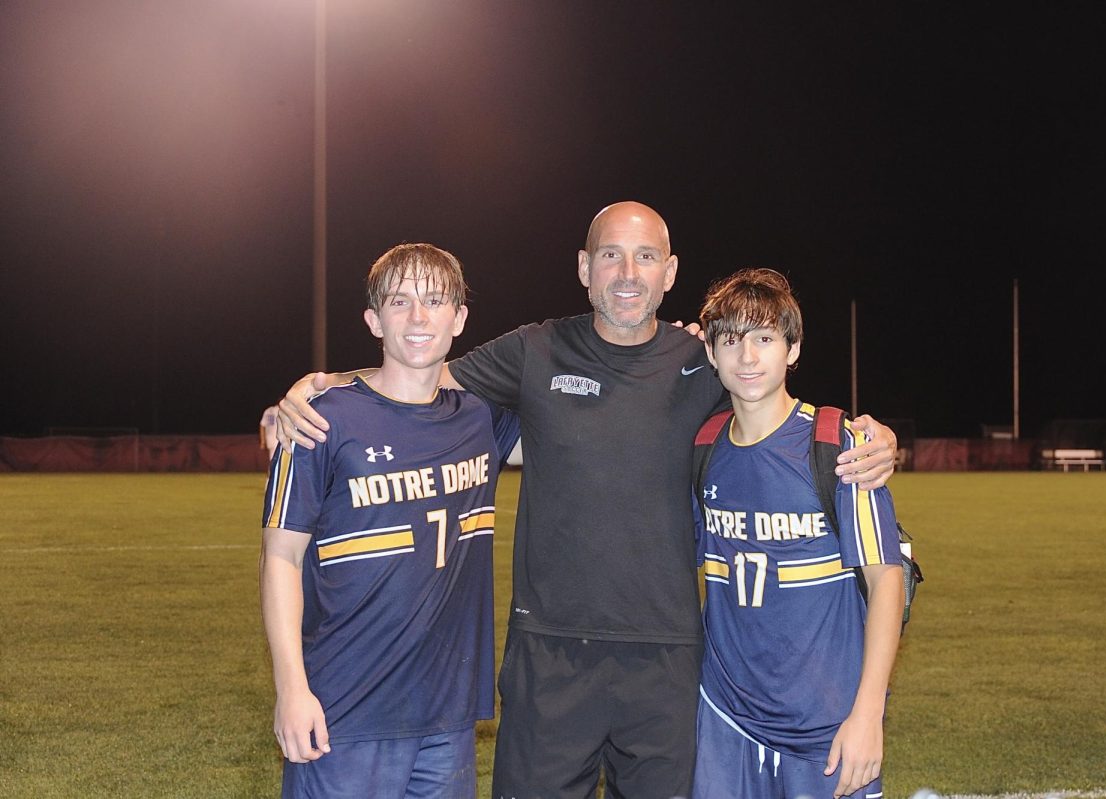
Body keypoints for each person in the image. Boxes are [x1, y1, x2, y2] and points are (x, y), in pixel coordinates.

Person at [276, 202, 897, 798]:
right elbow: (417, 373)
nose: (628, 274)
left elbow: (766, 393)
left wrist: (871, 436)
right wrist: (321, 389)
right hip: (549, 653)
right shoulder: (533, 351)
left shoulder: (704, 360)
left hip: (667, 658)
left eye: (645, 256)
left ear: (669, 273)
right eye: (611, 256)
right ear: (583, 268)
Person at [260, 243, 520, 798]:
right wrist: (291, 688)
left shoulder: (481, 419)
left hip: (447, 716)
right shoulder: (320, 420)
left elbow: (585, 417)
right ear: (374, 320)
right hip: (345, 709)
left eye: (434, 300)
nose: (419, 317)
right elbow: (281, 556)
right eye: (400, 302)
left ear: (460, 317)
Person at [693, 268, 904, 799]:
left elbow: (886, 582)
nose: (747, 356)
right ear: (711, 354)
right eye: (730, 340)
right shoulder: (702, 448)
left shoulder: (839, 445)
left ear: (793, 348)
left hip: (827, 725)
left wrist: (868, 716)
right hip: (724, 721)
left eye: (764, 338)